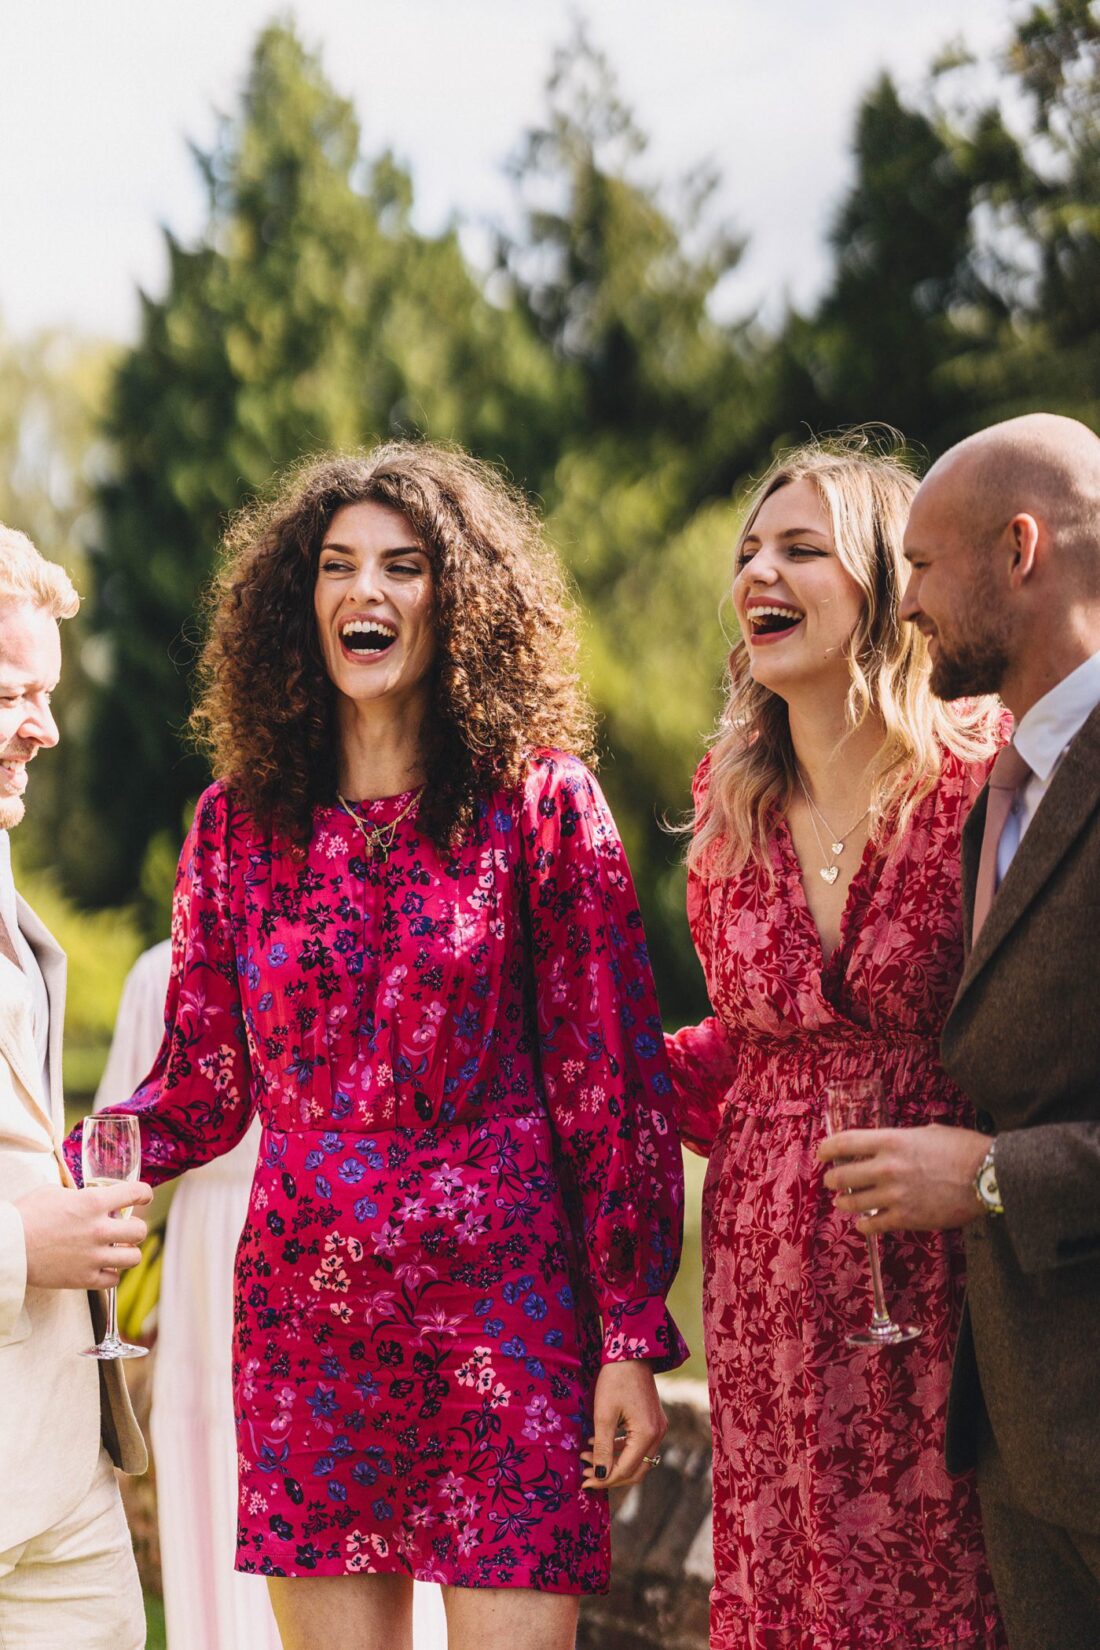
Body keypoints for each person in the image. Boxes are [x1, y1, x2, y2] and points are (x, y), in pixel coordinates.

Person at [66, 444, 686, 1650]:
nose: (370, 593)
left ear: (456, 599)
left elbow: (609, 1081)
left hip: (506, 1324)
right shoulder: (235, 827)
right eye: (339, 567)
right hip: (307, 1328)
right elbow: (200, 1087)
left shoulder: (541, 803)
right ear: (298, 606)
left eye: (405, 567)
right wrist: (68, 1158)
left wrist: (627, 1335)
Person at [666, 436, 1008, 1650]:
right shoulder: (728, 796)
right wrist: (604, 1074)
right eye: (749, 550)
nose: (759, 569)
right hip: (761, 1292)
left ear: (881, 580)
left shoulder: (987, 776)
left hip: (943, 1275)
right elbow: (760, 1050)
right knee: (786, 1587)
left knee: (938, 1587)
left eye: (799, 548)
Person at [819, 412, 1100, 1649]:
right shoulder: (996, 788)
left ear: (1020, 549)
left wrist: (986, 1177)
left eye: (923, 565)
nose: (905, 598)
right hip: (1025, 1440)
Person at [0, 524, 149, 1649]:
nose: (44, 728)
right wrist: (20, 1247)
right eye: (15, 693)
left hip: (60, 1467)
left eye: (45, 694)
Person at [96, 939, 288, 1650]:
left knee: (218, 1456)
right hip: (316, 1216)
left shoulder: (161, 971)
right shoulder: (353, 932)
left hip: (214, 1239)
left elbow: (119, 1150)